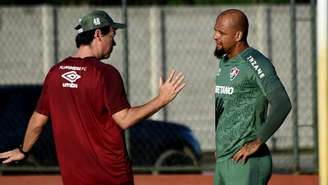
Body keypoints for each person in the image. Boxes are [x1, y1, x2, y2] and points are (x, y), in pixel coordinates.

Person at [0, 10, 185, 185]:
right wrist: (162, 99)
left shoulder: (55, 73)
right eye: (112, 35)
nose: (114, 43)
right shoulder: (105, 73)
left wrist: (23, 150)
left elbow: (37, 121)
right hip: (111, 178)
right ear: (98, 34)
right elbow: (125, 119)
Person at [213, 9, 291, 185]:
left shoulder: (255, 62)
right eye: (215, 30)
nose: (215, 36)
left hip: (246, 162)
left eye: (221, 32)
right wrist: (221, 144)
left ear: (238, 35)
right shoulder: (224, 62)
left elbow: (282, 103)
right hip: (224, 160)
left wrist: (257, 141)